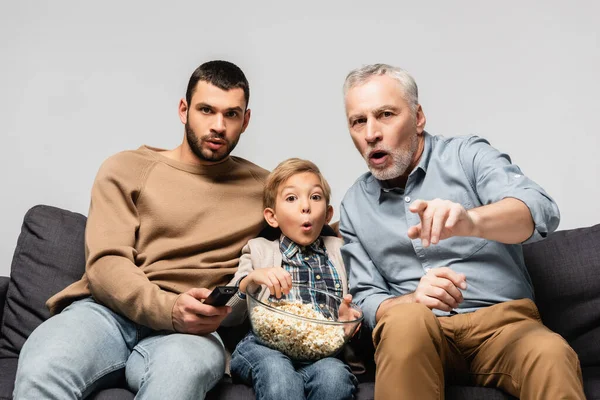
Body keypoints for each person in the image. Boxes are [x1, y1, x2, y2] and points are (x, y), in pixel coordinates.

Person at [13, 60, 269, 399]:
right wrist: (168, 308)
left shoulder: (267, 189)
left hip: (191, 334)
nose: (218, 125)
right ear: (184, 109)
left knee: (179, 375)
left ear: (246, 120)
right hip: (107, 315)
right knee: (41, 368)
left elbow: (317, 224)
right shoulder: (126, 168)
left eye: (231, 114)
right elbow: (106, 264)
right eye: (206, 110)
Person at [339, 63, 585, 399]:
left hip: (504, 325)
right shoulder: (354, 204)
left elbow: (539, 209)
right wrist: (413, 300)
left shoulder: (466, 155)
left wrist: (472, 221)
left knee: (552, 354)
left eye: (385, 114)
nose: (371, 134)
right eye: (359, 121)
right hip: (420, 332)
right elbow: (366, 298)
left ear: (418, 117)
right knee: (406, 321)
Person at [225, 158, 359, 400]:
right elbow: (229, 313)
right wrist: (252, 279)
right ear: (272, 216)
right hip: (263, 347)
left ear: (328, 214)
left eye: (315, 197)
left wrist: (347, 322)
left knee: (335, 380)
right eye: (291, 198)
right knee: (278, 375)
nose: (305, 206)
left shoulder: (340, 250)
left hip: (322, 353)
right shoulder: (258, 250)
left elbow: (357, 301)